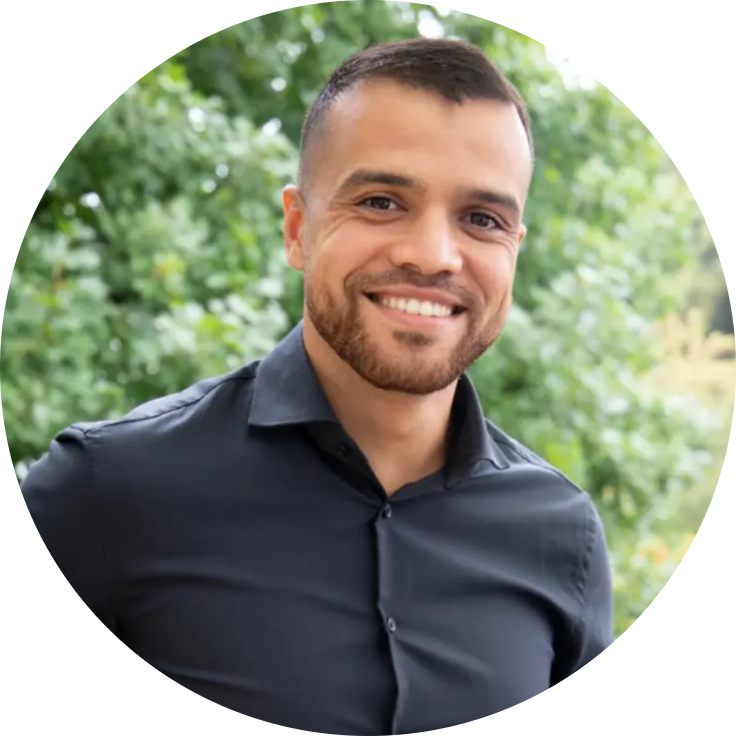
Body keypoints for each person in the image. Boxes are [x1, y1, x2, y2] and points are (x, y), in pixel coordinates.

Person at [20, 37, 612, 732]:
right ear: (298, 229)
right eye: (382, 201)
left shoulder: (562, 535)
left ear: (515, 247)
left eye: (482, 219)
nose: (433, 255)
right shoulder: (104, 490)